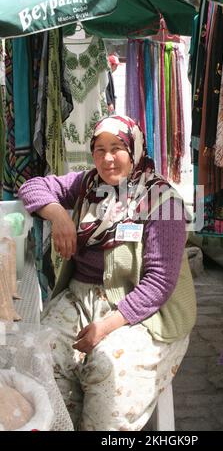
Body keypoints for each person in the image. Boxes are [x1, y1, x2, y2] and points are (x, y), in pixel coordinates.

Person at [18, 115, 196, 431]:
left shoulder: (164, 201)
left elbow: (159, 282)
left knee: (108, 363)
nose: (107, 158)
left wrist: (106, 326)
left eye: (117, 148)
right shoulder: (88, 185)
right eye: (99, 150)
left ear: (134, 150)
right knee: (40, 354)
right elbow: (32, 186)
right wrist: (59, 215)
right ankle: (61, 424)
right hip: (81, 297)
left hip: (142, 312)